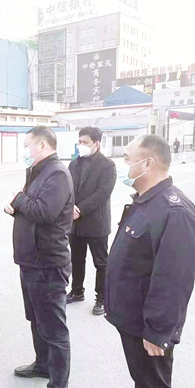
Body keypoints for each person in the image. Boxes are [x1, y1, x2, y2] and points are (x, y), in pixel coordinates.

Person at [105, 135, 195, 388]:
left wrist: (157, 331)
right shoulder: (146, 202)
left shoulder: (174, 211)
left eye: (127, 159)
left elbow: (174, 280)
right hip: (133, 320)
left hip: (147, 327)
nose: (123, 165)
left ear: (147, 164)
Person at [4, 126, 74, 388]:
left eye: (27, 145)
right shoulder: (37, 171)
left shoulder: (56, 173)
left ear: (42, 145)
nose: (24, 150)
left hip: (48, 264)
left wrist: (19, 199)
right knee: (36, 318)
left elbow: (44, 211)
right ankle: (42, 364)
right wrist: (16, 206)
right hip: (31, 261)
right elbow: (31, 207)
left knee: (54, 329)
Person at [66, 127, 116, 315]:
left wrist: (80, 209)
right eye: (79, 142)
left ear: (96, 144)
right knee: (76, 259)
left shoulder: (107, 165)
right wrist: (70, 206)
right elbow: (67, 187)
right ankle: (77, 291)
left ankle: (102, 298)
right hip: (75, 223)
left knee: (101, 263)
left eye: (85, 142)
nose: (81, 145)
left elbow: (103, 193)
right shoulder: (74, 164)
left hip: (96, 222)